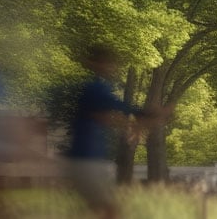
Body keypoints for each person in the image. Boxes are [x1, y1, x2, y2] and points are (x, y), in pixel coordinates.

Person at [64, 43, 165, 219]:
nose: (110, 67)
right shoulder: (95, 88)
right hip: (86, 161)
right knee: (111, 211)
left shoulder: (98, 89)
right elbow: (116, 106)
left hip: (91, 160)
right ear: (94, 63)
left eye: (110, 63)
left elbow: (107, 116)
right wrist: (144, 114)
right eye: (106, 62)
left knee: (102, 210)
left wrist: (136, 122)